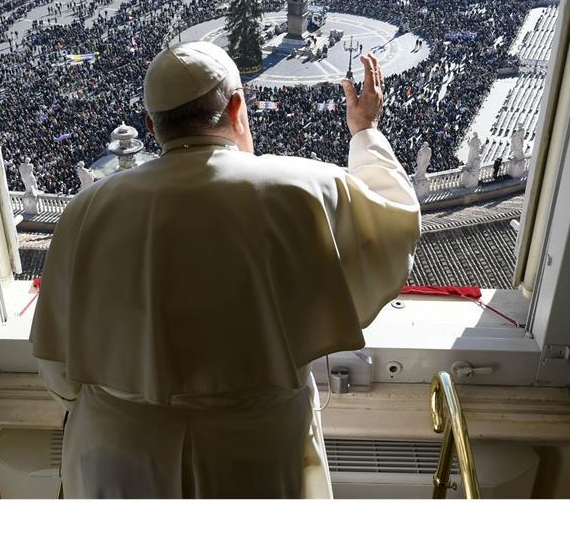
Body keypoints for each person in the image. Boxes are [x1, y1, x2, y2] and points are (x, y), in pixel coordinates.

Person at [30, 40, 421, 498]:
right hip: (254, 455)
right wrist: (365, 131)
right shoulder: (301, 187)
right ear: (237, 107)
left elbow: (57, 365)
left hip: (118, 455)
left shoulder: (87, 208)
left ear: (153, 125)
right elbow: (396, 222)